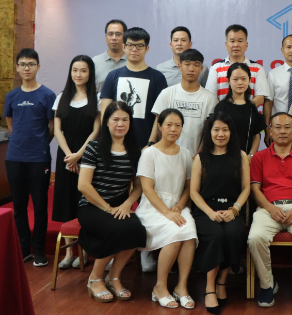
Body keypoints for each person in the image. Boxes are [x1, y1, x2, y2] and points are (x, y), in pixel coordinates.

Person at [248, 112, 292, 308]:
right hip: (268, 208)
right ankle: (267, 285)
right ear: (270, 131)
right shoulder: (259, 157)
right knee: (255, 238)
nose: (282, 131)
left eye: (287, 127)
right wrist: (270, 208)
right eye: (277, 127)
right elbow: (255, 189)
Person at [77, 101, 146, 303]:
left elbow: (138, 186)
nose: (120, 124)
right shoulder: (94, 147)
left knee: (138, 230)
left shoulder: (134, 151)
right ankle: (94, 279)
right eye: (115, 119)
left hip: (120, 205)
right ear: (106, 122)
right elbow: (83, 186)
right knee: (116, 229)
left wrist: (127, 204)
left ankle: (113, 277)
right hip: (91, 206)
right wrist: (107, 208)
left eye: (125, 119)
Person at [136, 109, 198, 308]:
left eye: (178, 125)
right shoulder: (149, 153)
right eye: (169, 125)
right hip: (153, 207)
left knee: (189, 232)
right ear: (160, 127)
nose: (173, 129)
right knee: (175, 232)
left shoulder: (185, 153)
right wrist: (167, 213)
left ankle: (181, 287)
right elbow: (147, 188)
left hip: (177, 206)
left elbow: (188, 187)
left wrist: (179, 206)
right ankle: (160, 286)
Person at [190, 111, 250, 314]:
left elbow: (246, 189)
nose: (220, 134)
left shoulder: (240, 156)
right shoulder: (201, 158)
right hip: (206, 210)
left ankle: (221, 282)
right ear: (209, 132)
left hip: (232, 209)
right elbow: (194, 192)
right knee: (215, 234)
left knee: (233, 233)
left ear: (231, 132)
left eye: (225, 129)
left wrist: (235, 209)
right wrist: (209, 212)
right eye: (216, 129)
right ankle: (209, 288)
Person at [4, 48, 57, 266]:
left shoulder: (47, 95)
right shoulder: (11, 96)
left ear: (38, 67)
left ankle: (39, 250)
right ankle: (24, 248)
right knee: (18, 206)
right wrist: (20, 141)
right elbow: (10, 124)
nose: (27, 68)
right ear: (17, 68)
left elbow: (53, 126)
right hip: (15, 157)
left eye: (31, 64)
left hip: (39, 158)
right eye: (23, 64)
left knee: (40, 205)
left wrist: (41, 143)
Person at [52, 55, 101, 270]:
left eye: (83, 70)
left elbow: (96, 130)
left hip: (87, 154)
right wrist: (69, 155)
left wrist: (79, 154)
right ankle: (69, 253)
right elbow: (57, 130)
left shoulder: (96, 98)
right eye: (75, 70)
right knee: (66, 200)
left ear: (90, 73)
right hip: (66, 154)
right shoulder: (61, 97)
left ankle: (85, 250)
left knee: (84, 200)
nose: (78, 74)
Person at [101, 27, 168, 148]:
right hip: (115, 144)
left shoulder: (158, 78)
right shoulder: (113, 76)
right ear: (124, 47)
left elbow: (160, 115)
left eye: (139, 46)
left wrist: (151, 143)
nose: (134, 49)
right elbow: (105, 112)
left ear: (147, 48)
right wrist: (109, 140)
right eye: (130, 45)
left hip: (146, 145)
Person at [150, 49, 217, 157]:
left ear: (201, 68)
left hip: (195, 157)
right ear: (180, 66)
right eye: (187, 64)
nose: (191, 69)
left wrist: (198, 155)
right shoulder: (167, 93)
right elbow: (158, 124)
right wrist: (151, 143)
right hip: (166, 155)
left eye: (196, 65)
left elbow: (208, 131)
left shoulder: (209, 98)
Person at [205, 24, 270, 107]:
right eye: (232, 41)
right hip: (222, 114)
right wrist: (225, 110)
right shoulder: (216, 68)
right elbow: (211, 96)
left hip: (248, 113)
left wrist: (243, 110)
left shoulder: (258, 68)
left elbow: (260, 97)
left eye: (240, 41)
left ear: (246, 45)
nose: (236, 45)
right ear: (226, 45)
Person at [214, 63, 267, 155]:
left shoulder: (252, 108)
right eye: (235, 79)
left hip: (247, 158)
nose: (240, 83)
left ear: (249, 80)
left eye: (244, 79)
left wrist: (250, 156)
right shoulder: (221, 107)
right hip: (225, 157)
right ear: (228, 81)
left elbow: (256, 136)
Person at [93, 19, 128, 93]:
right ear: (106, 37)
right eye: (110, 34)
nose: (114, 38)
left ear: (125, 37)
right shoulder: (95, 62)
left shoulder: (132, 61)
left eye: (118, 34)